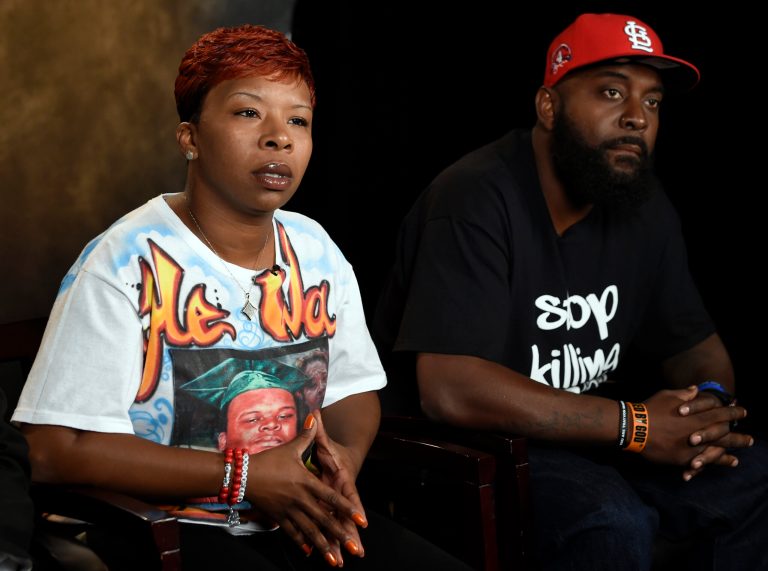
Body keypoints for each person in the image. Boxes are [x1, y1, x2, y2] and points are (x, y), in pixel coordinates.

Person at [12, 24, 470, 571]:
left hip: (294, 515)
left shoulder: (315, 248)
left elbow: (351, 392)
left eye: (297, 120)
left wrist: (343, 458)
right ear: (190, 137)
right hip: (161, 532)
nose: (279, 137)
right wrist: (244, 476)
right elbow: (53, 451)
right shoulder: (123, 260)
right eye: (249, 113)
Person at [374, 13, 768, 571]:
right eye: (612, 92)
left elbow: (697, 349)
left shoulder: (642, 205)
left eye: (653, 102)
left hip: (590, 438)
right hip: (468, 453)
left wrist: (704, 411)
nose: (637, 118)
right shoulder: (474, 197)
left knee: (753, 480)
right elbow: (451, 389)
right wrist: (638, 427)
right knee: (608, 518)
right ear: (548, 107)